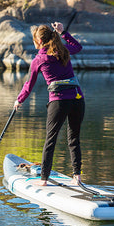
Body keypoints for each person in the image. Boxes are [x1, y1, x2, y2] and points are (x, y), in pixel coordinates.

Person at [13, 21, 85, 186]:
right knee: (74, 138)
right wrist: (63, 32)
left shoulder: (38, 60)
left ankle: (43, 180)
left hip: (59, 102)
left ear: (38, 41)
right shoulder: (63, 51)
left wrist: (19, 100)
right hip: (78, 99)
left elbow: (28, 85)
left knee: (50, 141)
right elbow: (78, 46)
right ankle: (77, 177)